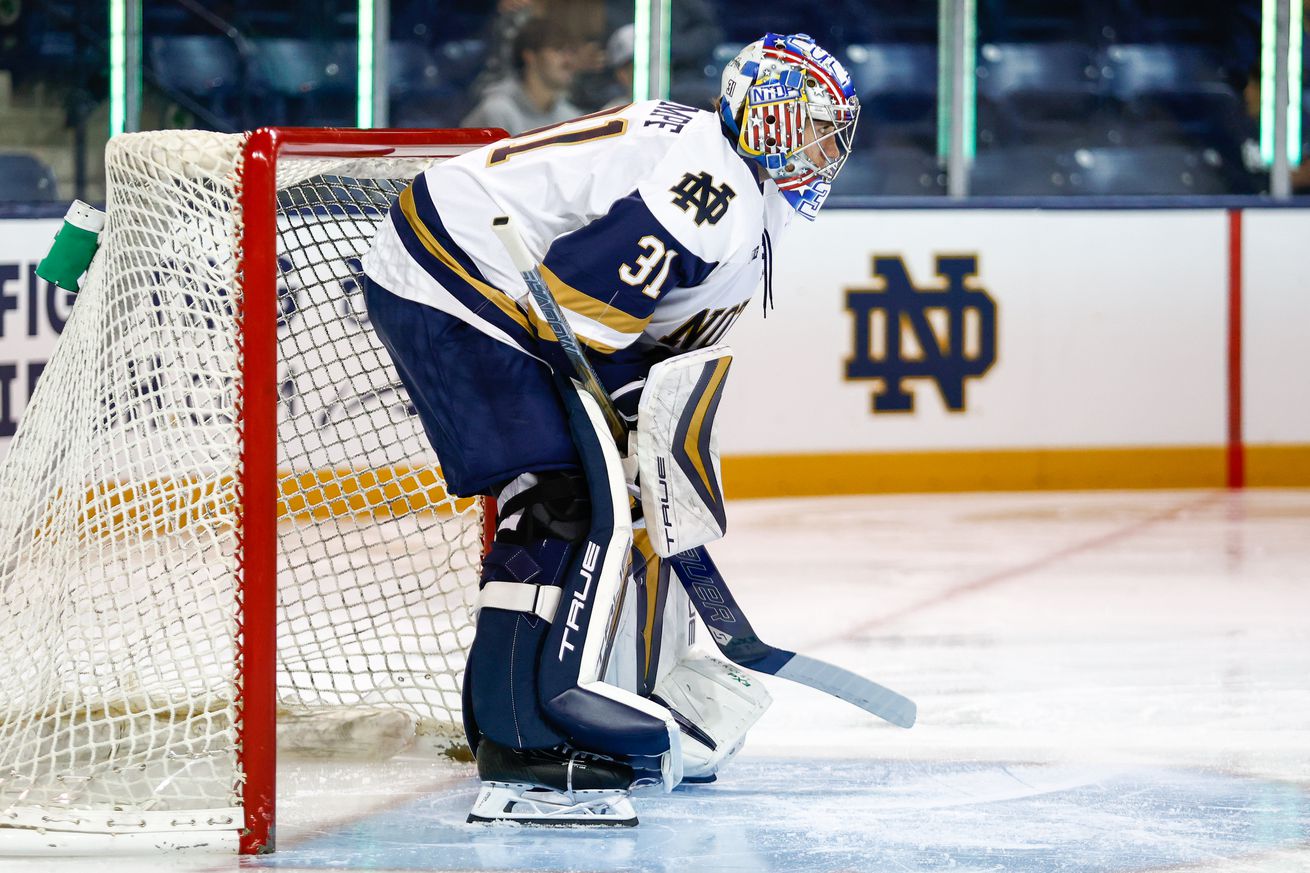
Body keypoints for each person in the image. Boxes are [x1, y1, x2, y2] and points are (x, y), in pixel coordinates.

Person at [361, 32, 860, 825]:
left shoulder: (730, 177)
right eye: (813, 128)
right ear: (767, 115)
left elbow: (608, 317)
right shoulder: (712, 188)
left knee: (568, 489)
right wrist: (619, 418)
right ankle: (526, 730)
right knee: (569, 492)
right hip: (453, 277)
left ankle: (509, 715)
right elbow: (578, 305)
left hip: (472, 277)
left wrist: (633, 413)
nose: (826, 151)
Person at [460, 15, 584, 134]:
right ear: (530, 56)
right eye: (558, 50)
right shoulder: (497, 112)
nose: (569, 61)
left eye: (571, 52)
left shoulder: (570, 118)